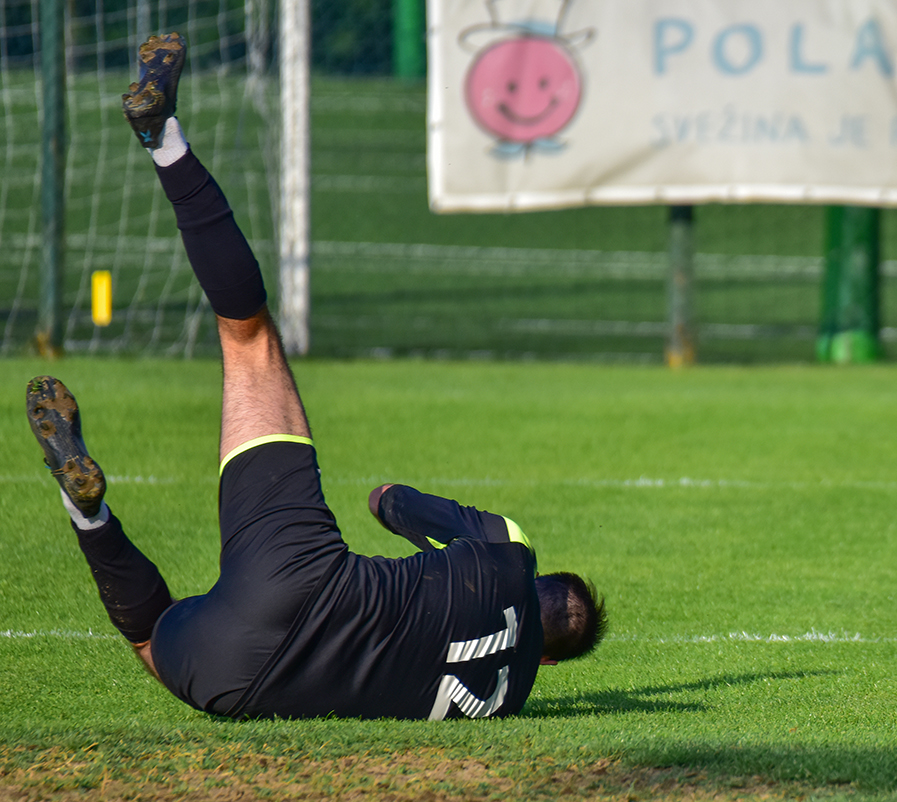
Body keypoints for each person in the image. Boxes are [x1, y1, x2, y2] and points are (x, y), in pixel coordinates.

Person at [24, 33, 605, 721]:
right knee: (152, 636)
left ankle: (163, 140)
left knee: (249, 338)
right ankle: (88, 513)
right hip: (242, 675)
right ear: (546, 661)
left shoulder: (511, 552)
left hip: (307, 575)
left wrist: (418, 530)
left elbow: (389, 502)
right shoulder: (508, 698)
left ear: (540, 579)